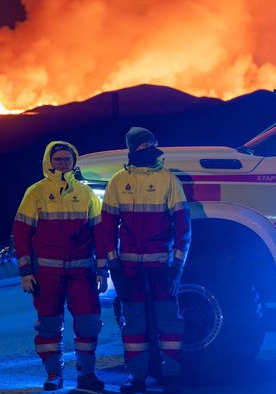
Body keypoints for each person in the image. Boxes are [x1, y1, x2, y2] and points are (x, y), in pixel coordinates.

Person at [96, 127, 191, 394]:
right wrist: (113, 265)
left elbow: (184, 227)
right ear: (133, 148)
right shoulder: (117, 182)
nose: (150, 148)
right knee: (134, 322)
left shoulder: (168, 180)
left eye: (153, 143)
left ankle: (171, 377)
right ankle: (136, 378)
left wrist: (177, 267)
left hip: (161, 265)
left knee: (169, 321)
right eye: (144, 144)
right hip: (128, 267)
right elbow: (106, 228)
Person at [13, 141, 109, 391]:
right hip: (46, 273)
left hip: (82, 272)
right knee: (48, 325)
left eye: (67, 159)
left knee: (88, 323)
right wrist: (25, 271)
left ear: (74, 162)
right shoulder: (35, 192)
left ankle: (86, 374)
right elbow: (21, 233)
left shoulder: (86, 194)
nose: (63, 163)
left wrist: (101, 270)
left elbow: (99, 234)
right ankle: (53, 374)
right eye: (58, 159)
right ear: (49, 161)